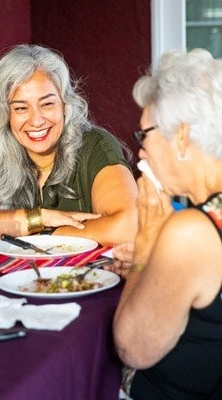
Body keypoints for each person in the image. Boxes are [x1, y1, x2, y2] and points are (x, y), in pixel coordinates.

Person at [0, 44, 137, 246]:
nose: (36, 120)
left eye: (47, 104)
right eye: (20, 108)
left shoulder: (95, 146)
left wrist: (46, 236)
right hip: (10, 277)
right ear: (5, 114)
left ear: (64, 105)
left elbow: (128, 227)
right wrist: (38, 219)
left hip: (79, 276)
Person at [112, 48, 222, 399]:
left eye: (144, 134)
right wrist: (149, 268)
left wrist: (147, 237)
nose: (141, 151)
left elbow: (133, 348)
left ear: (182, 136)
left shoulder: (192, 231)